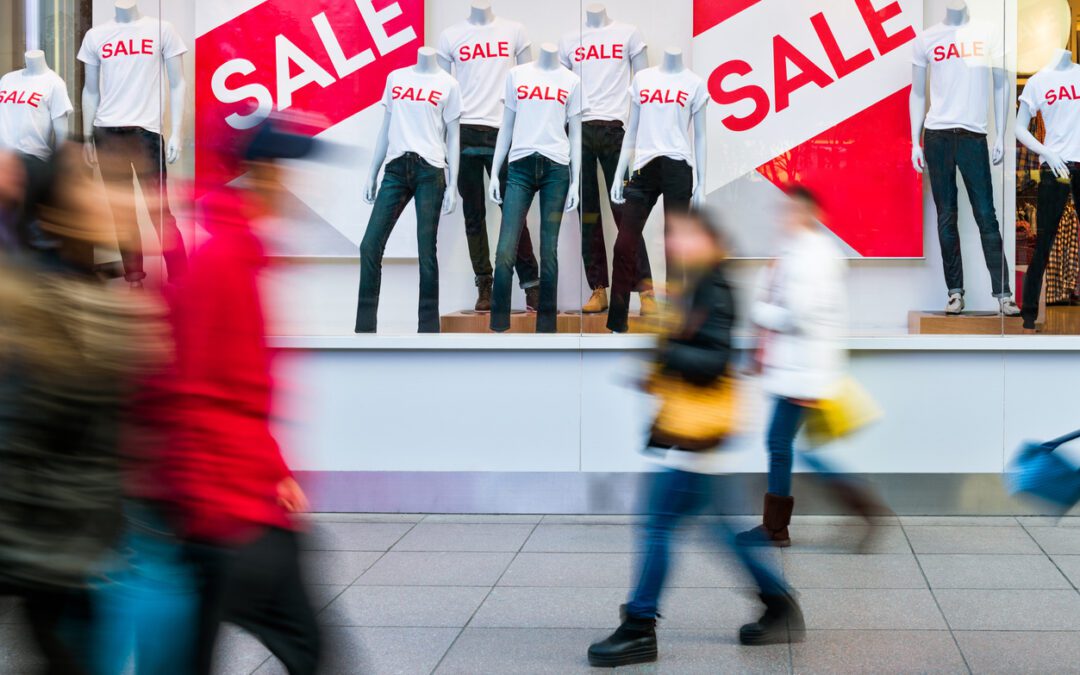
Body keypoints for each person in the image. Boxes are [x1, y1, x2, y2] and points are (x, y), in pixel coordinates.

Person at [587, 208, 804, 669]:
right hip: (693, 427)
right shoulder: (698, 283)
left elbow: (713, 361)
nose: (676, 242)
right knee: (717, 531)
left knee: (658, 524)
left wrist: (665, 351)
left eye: (684, 234)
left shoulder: (715, 287)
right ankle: (778, 604)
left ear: (707, 239)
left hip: (699, 430)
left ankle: (640, 627)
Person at [0, 143, 167, 674]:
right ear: (53, 214)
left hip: (91, 560)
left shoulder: (103, 301)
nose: (116, 198)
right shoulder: (28, 308)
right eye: (94, 185)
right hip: (54, 562)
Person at [161, 120, 320, 674]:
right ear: (269, 176)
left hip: (237, 497)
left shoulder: (238, 254)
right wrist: (243, 491)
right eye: (294, 173)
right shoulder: (223, 263)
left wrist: (275, 471)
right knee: (308, 649)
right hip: (230, 510)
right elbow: (199, 389)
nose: (303, 189)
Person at [736, 186, 880, 548]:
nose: (783, 218)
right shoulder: (800, 252)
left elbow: (796, 314)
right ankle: (856, 508)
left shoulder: (810, 256)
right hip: (802, 369)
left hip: (804, 373)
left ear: (807, 214)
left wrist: (759, 312)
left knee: (780, 442)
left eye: (790, 211)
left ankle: (780, 527)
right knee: (795, 447)